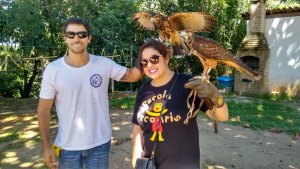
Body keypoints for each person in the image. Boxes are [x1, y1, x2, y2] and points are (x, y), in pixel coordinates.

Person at [37, 17, 141, 169]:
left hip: (100, 144)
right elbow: (43, 110)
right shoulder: (53, 70)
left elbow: (133, 76)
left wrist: (148, 54)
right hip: (67, 147)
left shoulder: (103, 64)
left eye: (82, 34)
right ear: (65, 38)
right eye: (71, 34)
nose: (76, 39)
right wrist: (46, 148)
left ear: (89, 38)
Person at [131, 40, 229, 169]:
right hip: (151, 165)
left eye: (154, 59)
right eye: (144, 62)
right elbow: (138, 129)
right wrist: (136, 162)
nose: (149, 65)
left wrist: (217, 97)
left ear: (166, 58)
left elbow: (222, 116)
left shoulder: (188, 83)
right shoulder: (144, 90)